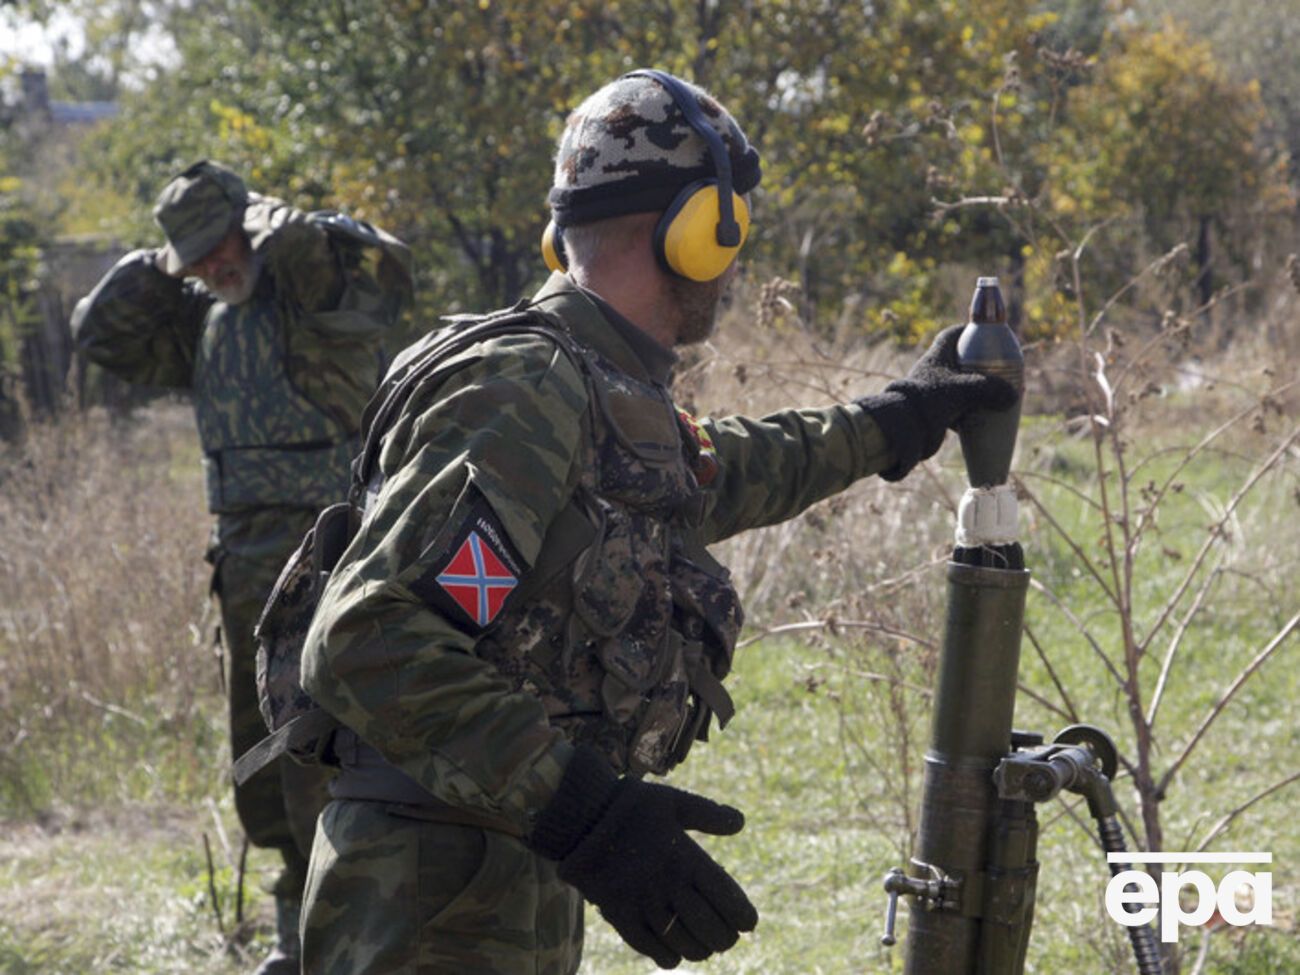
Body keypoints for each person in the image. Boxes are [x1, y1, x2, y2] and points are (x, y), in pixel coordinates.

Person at [297, 70, 1016, 974]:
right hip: (427, 899)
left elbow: (721, 472)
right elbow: (366, 637)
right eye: (736, 227)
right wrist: (588, 813)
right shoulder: (524, 388)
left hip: (484, 871)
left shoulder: (595, 388)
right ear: (700, 230)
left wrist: (898, 419)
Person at [71, 159, 413, 975]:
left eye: (218, 245)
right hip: (244, 564)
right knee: (261, 754)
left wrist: (256, 220)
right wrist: (165, 260)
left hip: (325, 549)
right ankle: (300, 935)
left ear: (248, 223)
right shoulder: (206, 317)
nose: (211, 267)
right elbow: (99, 332)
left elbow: (324, 249)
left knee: (321, 745)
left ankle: (356, 938)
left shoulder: (308, 282)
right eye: (192, 258)